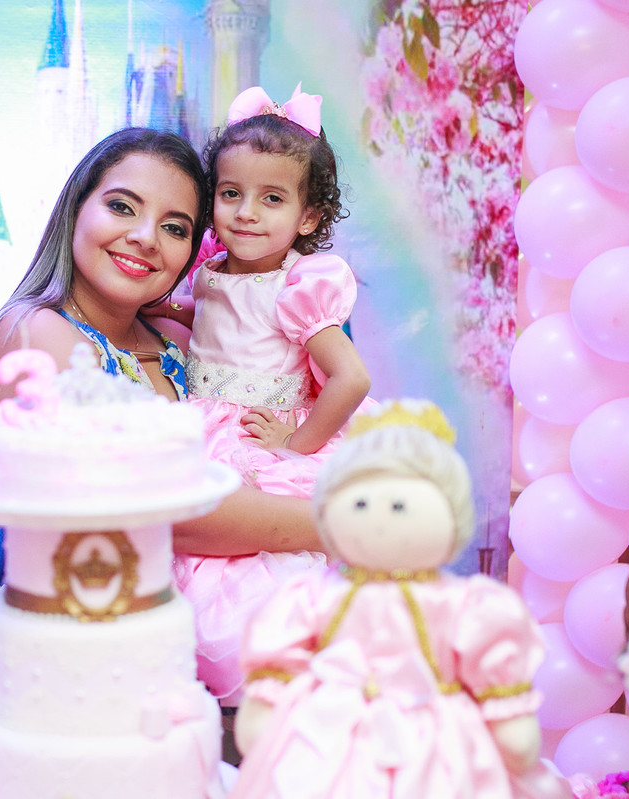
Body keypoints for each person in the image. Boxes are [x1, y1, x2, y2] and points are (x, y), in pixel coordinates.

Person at [0, 125, 323, 603]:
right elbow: (162, 509)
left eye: (175, 228)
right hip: (72, 638)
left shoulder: (179, 343)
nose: (145, 238)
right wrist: (348, 523)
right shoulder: (32, 334)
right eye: (121, 207)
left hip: (207, 629)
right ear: (76, 209)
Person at [229, 401, 571, 799]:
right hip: (332, 733)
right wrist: (269, 702)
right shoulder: (315, 595)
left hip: (433, 738)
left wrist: (506, 716)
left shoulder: (463, 604)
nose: (378, 517)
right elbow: (285, 650)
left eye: (398, 505)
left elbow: (487, 657)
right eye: (360, 502)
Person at [170, 85, 373, 707]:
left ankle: (269, 690)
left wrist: (297, 442)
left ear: (308, 218)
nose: (246, 213)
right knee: (194, 562)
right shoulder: (210, 270)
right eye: (231, 194)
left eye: (273, 199)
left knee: (261, 569)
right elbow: (214, 322)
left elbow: (351, 379)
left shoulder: (298, 286)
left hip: (257, 435)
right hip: (201, 426)